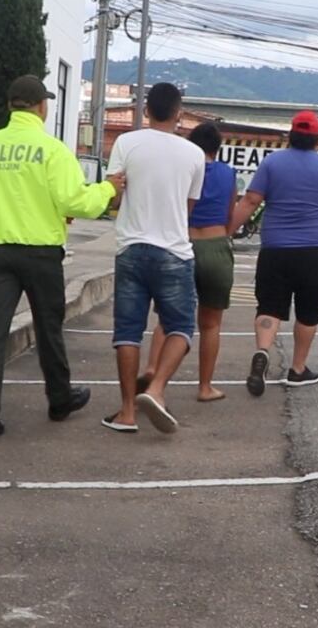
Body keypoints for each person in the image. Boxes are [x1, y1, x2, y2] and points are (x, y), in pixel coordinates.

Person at [0, 75, 124, 441]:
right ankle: (59, 398)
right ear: (42, 107)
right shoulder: (51, 149)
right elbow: (76, 202)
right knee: (48, 328)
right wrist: (108, 188)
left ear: (10, 106)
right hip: (40, 254)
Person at [230, 110, 318, 394]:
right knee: (308, 313)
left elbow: (251, 200)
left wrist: (226, 231)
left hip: (275, 250)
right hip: (314, 252)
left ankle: (263, 351)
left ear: (290, 136)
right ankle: (298, 369)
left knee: (269, 307)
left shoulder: (272, 163)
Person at [103, 83, 205, 434]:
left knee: (128, 332)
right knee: (180, 327)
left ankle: (128, 412)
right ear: (179, 114)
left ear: (146, 111)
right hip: (174, 251)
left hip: (130, 249)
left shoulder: (125, 143)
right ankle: (157, 389)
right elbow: (188, 208)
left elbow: (113, 197)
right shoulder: (193, 154)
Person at [139, 121, 236, 403]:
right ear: (217, 149)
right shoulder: (228, 174)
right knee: (211, 324)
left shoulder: (182, 169)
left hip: (181, 244)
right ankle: (205, 386)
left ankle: (153, 371)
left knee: (167, 320)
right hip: (216, 247)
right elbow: (231, 215)